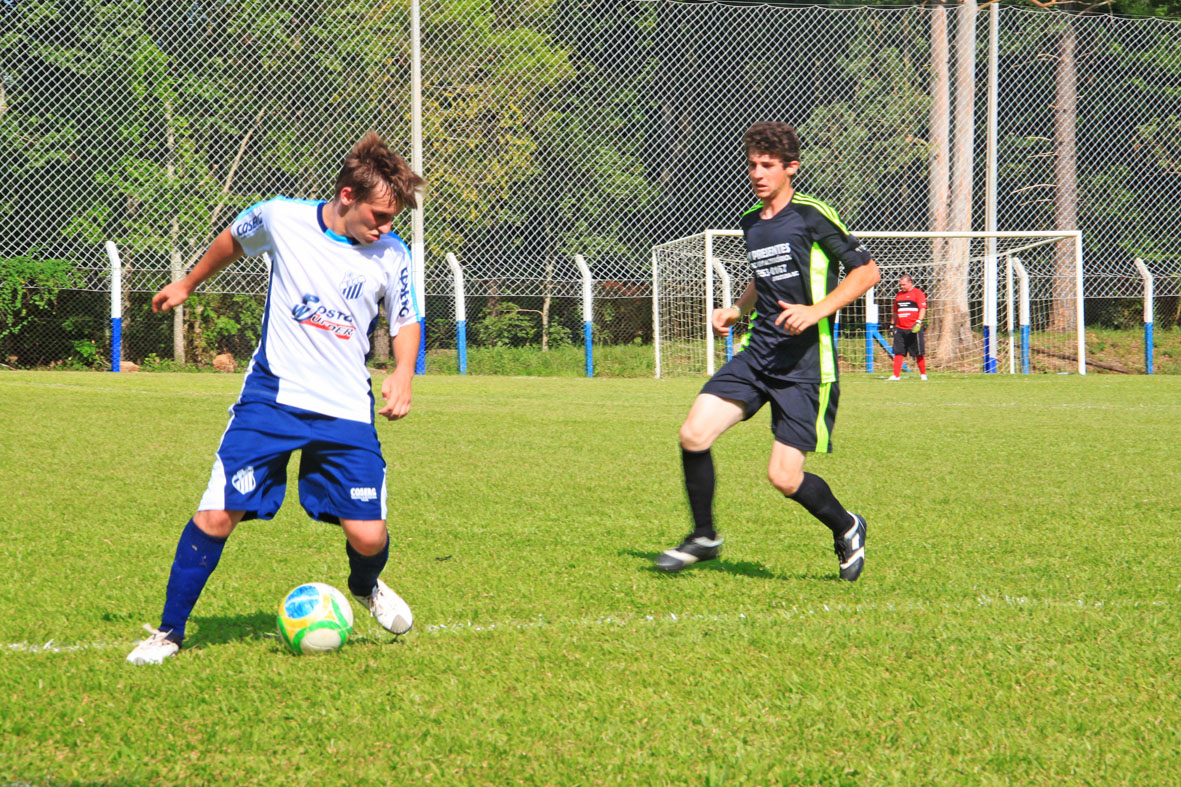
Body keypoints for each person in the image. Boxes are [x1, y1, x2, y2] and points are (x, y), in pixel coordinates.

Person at [127, 132, 424, 664]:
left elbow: (405, 320)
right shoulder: (281, 218)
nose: (386, 226)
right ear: (348, 195)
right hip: (272, 399)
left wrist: (403, 372)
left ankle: (365, 587)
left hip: (345, 409)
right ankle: (169, 633)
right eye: (380, 215)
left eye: (393, 217)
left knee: (369, 535)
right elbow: (231, 241)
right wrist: (189, 283)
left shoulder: (391, 254)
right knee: (217, 516)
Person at [653, 122, 880, 581]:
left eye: (768, 166)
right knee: (693, 434)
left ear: (790, 168)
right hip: (758, 354)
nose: (758, 174)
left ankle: (847, 525)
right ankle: (704, 536)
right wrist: (737, 308)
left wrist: (816, 311)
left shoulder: (811, 215)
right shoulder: (752, 224)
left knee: (784, 478)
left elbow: (867, 272)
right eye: (753, 165)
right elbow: (764, 277)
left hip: (805, 366)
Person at [889, 274, 927, 381]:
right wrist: (892, 325)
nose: (902, 287)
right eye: (900, 285)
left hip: (913, 328)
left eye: (904, 285)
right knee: (898, 352)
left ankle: (923, 374)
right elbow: (896, 311)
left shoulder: (918, 293)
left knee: (918, 353)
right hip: (900, 328)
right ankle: (896, 375)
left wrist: (919, 322)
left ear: (910, 283)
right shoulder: (899, 295)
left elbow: (923, 309)